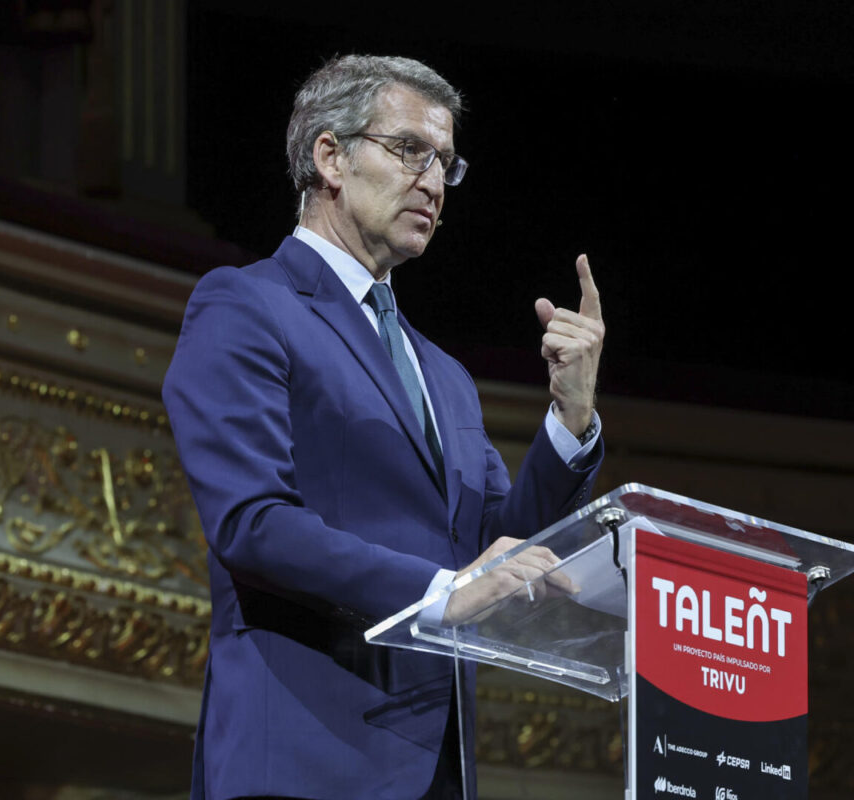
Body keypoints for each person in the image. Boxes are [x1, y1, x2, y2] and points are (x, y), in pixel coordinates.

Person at [163, 54, 605, 800]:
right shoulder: (245, 305)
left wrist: (571, 416)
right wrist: (439, 592)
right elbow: (251, 522)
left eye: (446, 164)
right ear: (329, 156)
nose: (434, 182)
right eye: (410, 151)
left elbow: (498, 553)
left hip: (433, 766)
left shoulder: (445, 377)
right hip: (303, 754)